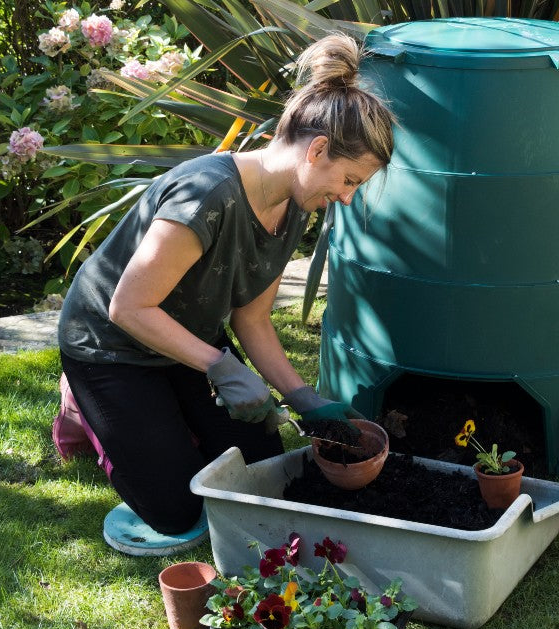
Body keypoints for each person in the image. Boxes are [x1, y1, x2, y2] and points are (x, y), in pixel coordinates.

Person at [55, 33, 395, 555]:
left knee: (258, 469)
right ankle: (82, 407)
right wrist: (220, 367)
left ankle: (165, 417)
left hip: (185, 343)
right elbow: (127, 306)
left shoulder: (294, 207)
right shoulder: (206, 194)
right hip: (111, 345)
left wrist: (303, 398)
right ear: (318, 149)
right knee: (177, 509)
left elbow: (253, 319)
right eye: (348, 179)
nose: (347, 198)